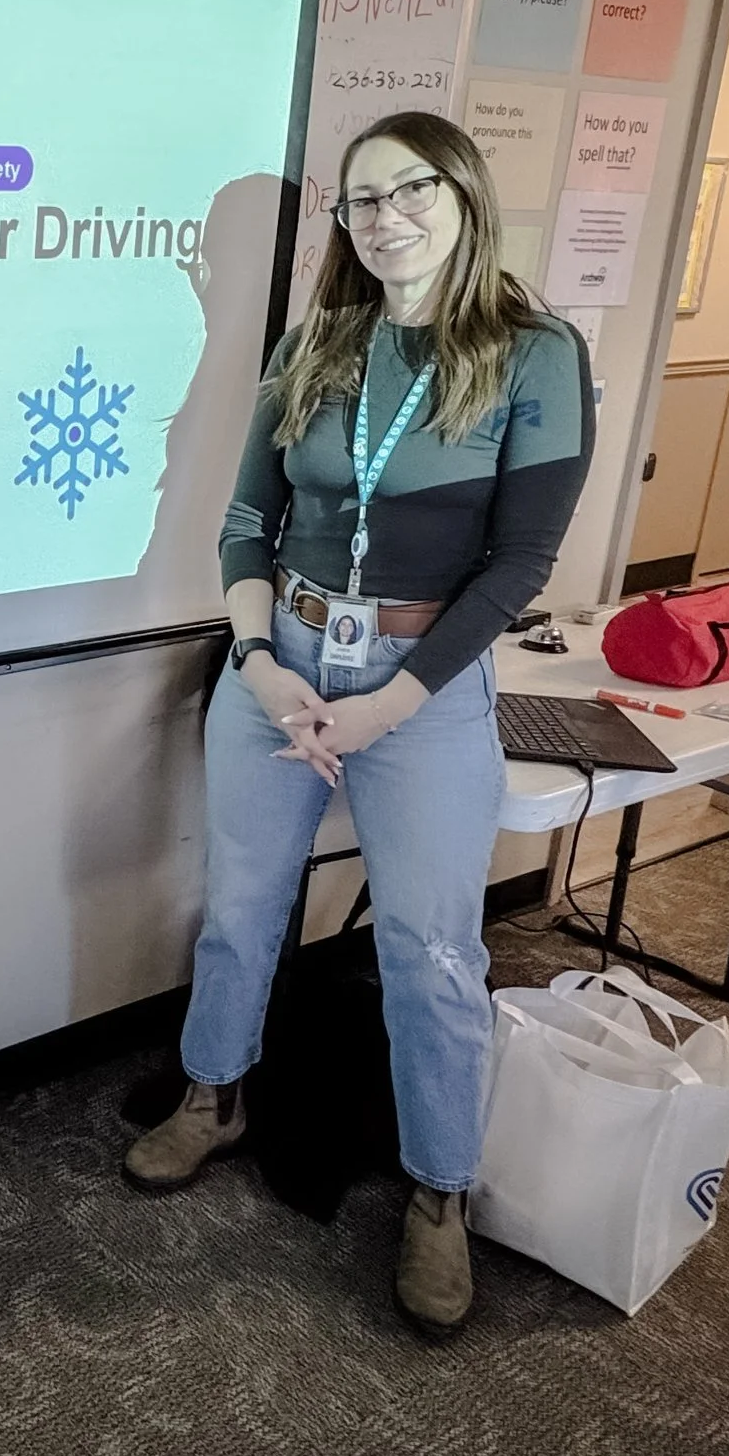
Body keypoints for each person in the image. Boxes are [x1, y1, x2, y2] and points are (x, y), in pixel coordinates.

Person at [121, 112, 593, 1334]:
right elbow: (246, 526)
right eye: (363, 200)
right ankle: (213, 1094)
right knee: (238, 908)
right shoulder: (315, 343)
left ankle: (439, 1186)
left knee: (431, 950)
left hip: (419, 681)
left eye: (410, 190)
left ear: (464, 192)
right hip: (280, 656)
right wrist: (257, 662)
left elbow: (516, 565)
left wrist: (389, 699)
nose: (386, 219)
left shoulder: (534, 353)